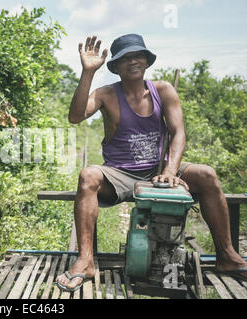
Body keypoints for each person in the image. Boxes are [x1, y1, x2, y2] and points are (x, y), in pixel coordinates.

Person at [55, 33, 247, 292]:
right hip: (119, 173)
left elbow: (178, 132)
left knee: (207, 174)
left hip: (160, 169)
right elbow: (75, 117)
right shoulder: (106, 94)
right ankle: (86, 260)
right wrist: (87, 72)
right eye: (125, 58)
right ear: (116, 66)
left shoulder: (163, 90)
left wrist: (170, 170)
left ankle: (227, 256)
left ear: (146, 61)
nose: (132, 61)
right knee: (88, 175)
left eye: (138, 55)